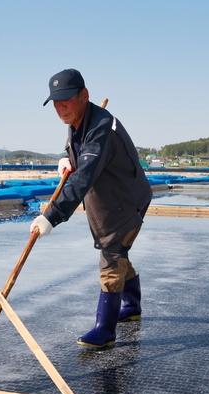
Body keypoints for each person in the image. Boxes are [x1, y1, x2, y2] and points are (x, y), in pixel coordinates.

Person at [30, 68, 153, 348]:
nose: (61, 108)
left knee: (112, 257)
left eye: (66, 100)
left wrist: (51, 216)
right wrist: (65, 158)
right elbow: (74, 146)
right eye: (56, 103)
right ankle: (132, 306)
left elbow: (82, 178)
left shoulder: (100, 129)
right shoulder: (80, 121)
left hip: (126, 202)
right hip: (110, 200)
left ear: (84, 95)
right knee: (119, 253)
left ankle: (105, 330)